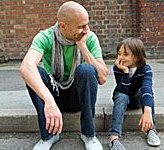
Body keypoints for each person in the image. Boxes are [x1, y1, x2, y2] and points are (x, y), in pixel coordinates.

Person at [20, 1, 108, 150]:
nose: (86, 30)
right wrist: (49, 101)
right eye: (81, 26)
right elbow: (26, 67)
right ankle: (49, 135)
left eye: (86, 24)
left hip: (77, 96)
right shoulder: (45, 37)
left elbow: (103, 77)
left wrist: (83, 47)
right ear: (63, 26)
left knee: (87, 70)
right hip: (55, 94)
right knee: (37, 73)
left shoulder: (89, 38)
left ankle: (88, 135)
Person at [108, 37, 161, 150]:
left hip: (137, 99)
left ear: (137, 56)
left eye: (125, 54)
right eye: (119, 54)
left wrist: (147, 111)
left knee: (146, 92)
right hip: (122, 97)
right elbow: (123, 90)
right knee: (122, 96)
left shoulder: (145, 69)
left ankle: (151, 130)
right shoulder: (117, 68)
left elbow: (147, 89)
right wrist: (125, 72)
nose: (121, 57)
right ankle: (114, 138)